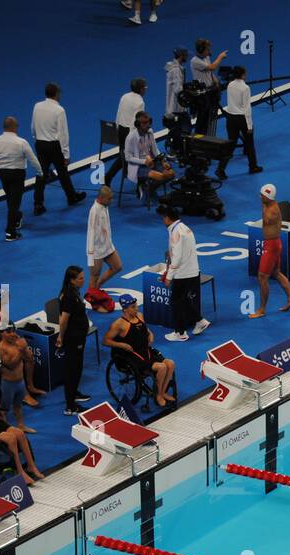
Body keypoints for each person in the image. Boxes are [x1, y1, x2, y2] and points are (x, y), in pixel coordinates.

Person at [104, 294, 177, 407]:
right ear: (125, 309)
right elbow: (105, 341)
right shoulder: (119, 324)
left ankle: (162, 392)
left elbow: (145, 329)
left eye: (136, 305)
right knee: (162, 367)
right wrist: (122, 345)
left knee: (170, 363)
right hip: (132, 356)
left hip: (145, 351)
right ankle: (158, 396)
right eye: (133, 307)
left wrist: (150, 334)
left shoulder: (140, 316)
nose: (136, 308)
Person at [31, 83, 87, 214]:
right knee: (63, 173)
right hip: (54, 146)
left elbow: (33, 126)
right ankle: (72, 197)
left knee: (41, 175)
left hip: (40, 144)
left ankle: (38, 204)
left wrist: (37, 139)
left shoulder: (37, 106)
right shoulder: (59, 110)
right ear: (56, 94)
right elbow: (63, 134)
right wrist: (66, 154)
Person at [0, 116, 41, 242]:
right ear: (13, 127)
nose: (17, 128)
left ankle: (16, 219)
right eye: (17, 126)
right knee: (14, 203)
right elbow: (32, 159)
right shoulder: (21, 142)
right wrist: (40, 172)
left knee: (11, 199)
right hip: (17, 175)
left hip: (3, 174)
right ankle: (10, 232)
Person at [158, 205, 207, 340]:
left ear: (168, 218)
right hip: (193, 270)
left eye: (163, 218)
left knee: (175, 301)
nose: (163, 220)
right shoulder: (184, 228)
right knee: (183, 299)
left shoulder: (176, 232)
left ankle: (180, 333)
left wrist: (169, 276)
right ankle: (200, 321)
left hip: (183, 273)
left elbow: (177, 257)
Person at [252, 184, 290, 318]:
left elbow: (266, 220)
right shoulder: (269, 205)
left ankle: (262, 309)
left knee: (262, 277)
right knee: (276, 273)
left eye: (262, 196)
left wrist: (264, 206)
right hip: (274, 243)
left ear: (268, 197)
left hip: (271, 246)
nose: (260, 197)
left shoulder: (271, 211)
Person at [56, 265, 93, 414]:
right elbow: (63, 319)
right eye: (80, 278)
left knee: (77, 367)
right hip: (73, 338)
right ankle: (70, 406)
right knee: (73, 369)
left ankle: (74, 393)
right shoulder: (69, 296)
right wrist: (60, 337)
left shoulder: (73, 292)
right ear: (72, 280)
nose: (83, 280)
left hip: (79, 336)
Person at [217, 66, 262, 180]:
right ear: (242, 74)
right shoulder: (245, 88)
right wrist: (249, 125)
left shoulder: (230, 85)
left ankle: (220, 169)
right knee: (250, 144)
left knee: (231, 145)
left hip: (230, 118)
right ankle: (253, 166)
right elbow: (247, 108)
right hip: (242, 119)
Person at [106, 77, 148, 185]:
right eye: (145, 87)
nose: (146, 89)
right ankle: (108, 177)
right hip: (129, 133)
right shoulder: (140, 102)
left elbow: (119, 114)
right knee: (127, 156)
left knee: (123, 155)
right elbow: (137, 122)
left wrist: (117, 128)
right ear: (141, 89)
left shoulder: (124, 96)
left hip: (120, 130)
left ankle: (125, 173)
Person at [124, 111, 176, 191]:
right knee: (160, 177)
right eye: (144, 123)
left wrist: (162, 161)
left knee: (171, 174)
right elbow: (128, 158)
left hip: (152, 162)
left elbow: (155, 150)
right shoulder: (130, 138)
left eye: (149, 122)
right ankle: (145, 187)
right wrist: (144, 162)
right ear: (137, 124)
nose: (148, 125)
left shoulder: (150, 132)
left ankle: (148, 188)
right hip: (138, 167)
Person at [0, 331, 36, 432]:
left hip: (20, 382)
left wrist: (25, 348)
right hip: (7, 384)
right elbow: (10, 365)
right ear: (3, 334)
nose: (13, 335)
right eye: (9, 333)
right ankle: (4, 430)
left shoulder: (17, 344)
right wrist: (21, 350)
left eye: (13, 332)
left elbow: (29, 357)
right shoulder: (0, 347)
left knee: (18, 406)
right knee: (4, 409)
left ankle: (21, 425)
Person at [190, 40, 228, 136]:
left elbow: (210, 72)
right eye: (207, 49)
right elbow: (212, 67)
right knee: (202, 118)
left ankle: (207, 137)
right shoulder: (195, 61)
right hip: (202, 94)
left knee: (209, 117)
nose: (209, 51)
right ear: (201, 50)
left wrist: (215, 81)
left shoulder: (206, 57)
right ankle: (198, 139)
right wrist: (220, 57)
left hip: (210, 90)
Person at [87, 186, 120, 291]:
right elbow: (90, 233)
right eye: (109, 199)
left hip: (108, 246)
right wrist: (90, 256)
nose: (111, 201)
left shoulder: (105, 205)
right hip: (96, 251)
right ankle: (91, 298)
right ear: (101, 198)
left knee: (117, 267)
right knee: (94, 276)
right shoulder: (94, 211)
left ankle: (98, 286)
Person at [163, 47, 189, 119]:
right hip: (177, 111)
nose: (187, 57)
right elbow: (178, 89)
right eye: (186, 55)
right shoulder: (176, 70)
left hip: (173, 110)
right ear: (181, 56)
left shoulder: (174, 68)